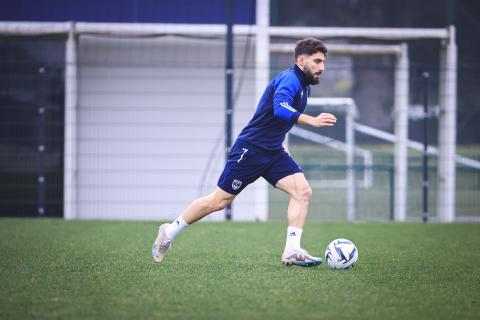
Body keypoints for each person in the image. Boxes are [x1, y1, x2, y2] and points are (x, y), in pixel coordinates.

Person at [152, 38, 336, 267]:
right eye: (317, 61)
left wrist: (282, 141)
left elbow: (278, 120)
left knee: (302, 192)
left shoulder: (305, 86)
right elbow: (280, 109)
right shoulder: (290, 79)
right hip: (251, 149)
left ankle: (292, 249)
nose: (322, 67)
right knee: (219, 201)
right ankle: (169, 232)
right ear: (301, 60)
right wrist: (312, 120)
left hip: (274, 151)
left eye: (323, 62)